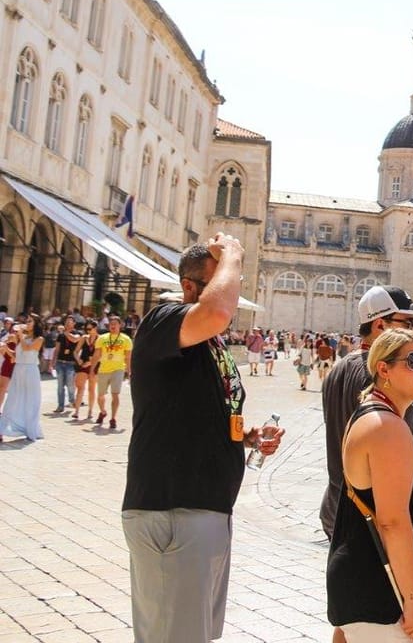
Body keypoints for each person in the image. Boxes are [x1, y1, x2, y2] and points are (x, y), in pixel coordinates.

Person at [122, 235, 285, 643]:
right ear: (190, 287)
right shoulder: (162, 321)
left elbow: (208, 411)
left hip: (206, 509)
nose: (229, 292)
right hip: (173, 508)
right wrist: (233, 254)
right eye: (221, 282)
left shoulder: (209, 345)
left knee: (194, 635)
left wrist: (248, 436)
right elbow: (215, 314)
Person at [327, 329, 413, 642]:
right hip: (381, 588)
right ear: (384, 369)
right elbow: (392, 522)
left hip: (363, 577)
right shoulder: (388, 428)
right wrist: (412, 601)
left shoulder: (374, 415)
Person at [320, 285, 413, 539]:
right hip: (372, 516)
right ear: (380, 324)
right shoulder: (382, 377)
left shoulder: (339, 369)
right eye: (408, 322)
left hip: (338, 507)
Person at [0, 319, 44, 442]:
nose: (26, 323)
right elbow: (16, 357)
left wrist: (19, 336)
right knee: (13, 398)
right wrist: (7, 349)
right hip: (18, 370)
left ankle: (31, 429)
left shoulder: (39, 339)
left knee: (30, 400)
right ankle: (2, 429)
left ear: (36, 324)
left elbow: (27, 349)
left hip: (30, 371)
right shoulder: (22, 338)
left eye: (30, 321)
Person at [95, 316, 133, 430]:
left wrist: (129, 372)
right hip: (103, 369)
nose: (112, 325)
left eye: (115, 323)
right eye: (111, 324)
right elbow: (97, 354)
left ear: (120, 325)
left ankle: (113, 418)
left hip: (118, 369)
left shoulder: (126, 339)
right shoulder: (102, 338)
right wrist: (92, 368)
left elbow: (128, 357)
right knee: (101, 395)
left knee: (115, 394)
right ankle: (102, 412)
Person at [51, 316, 81, 413]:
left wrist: (65, 332)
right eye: (66, 322)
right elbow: (57, 349)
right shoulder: (61, 336)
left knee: (70, 384)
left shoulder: (78, 333)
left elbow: (74, 340)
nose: (67, 324)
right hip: (60, 362)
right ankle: (60, 405)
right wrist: (53, 361)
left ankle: (72, 401)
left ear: (74, 323)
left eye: (70, 322)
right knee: (60, 386)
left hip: (71, 363)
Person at [72, 320, 99, 420]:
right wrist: (78, 360)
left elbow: (101, 355)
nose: (88, 330)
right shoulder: (84, 338)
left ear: (95, 328)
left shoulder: (100, 339)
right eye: (86, 329)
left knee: (91, 389)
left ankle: (90, 411)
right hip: (83, 364)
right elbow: (76, 351)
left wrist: (91, 363)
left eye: (89, 328)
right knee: (80, 387)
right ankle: (76, 411)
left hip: (94, 366)